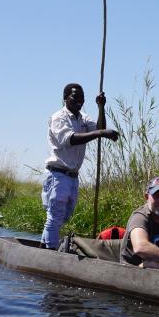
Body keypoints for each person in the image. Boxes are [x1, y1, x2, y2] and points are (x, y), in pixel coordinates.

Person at [40, 83, 119, 249]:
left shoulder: (83, 118)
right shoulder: (59, 117)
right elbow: (71, 139)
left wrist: (101, 107)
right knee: (55, 217)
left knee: (62, 217)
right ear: (65, 98)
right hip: (58, 174)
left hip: (72, 176)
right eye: (75, 97)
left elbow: (99, 128)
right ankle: (49, 252)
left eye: (82, 98)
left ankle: (43, 247)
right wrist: (101, 134)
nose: (79, 101)